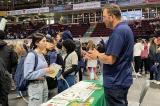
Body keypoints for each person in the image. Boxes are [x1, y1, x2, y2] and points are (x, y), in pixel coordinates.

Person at [85, 4, 134, 106]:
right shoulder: (125, 29)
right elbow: (113, 54)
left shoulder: (118, 32)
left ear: (112, 17)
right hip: (121, 79)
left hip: (116, 81)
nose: (103, 20)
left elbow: (110, 59)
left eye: (104, 17)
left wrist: (98, 55)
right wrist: (96, 54)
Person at [24, 33, 54, 106]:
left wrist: (49, 70)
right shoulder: (31, 55)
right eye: (43, 41)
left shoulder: (41, 54)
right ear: (37, 43)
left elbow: (41, 70)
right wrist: (45, 70)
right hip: (35, 86)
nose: (45, 43)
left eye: (45, 41)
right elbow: (27, 75)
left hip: (44, 83)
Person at [0, 30, 18, 106]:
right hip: (5, 75)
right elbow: (14, 61)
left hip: (5, 74)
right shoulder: (9, 49)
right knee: (4, 97)